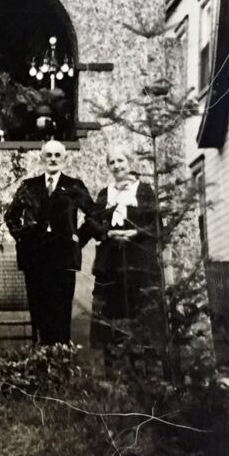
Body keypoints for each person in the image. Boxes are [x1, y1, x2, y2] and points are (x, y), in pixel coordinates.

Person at [4, 140, 94, 344]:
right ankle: (43, 365)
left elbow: (94, 215)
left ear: (64, 159)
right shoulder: (29, 186)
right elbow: (10, 216)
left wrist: (78, 239)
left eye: (57, 155)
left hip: (63, 260)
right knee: (39, 313)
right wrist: (23, 237)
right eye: (49, 155)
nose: (53, 159)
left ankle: (61, 365)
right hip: (35, 259)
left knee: (61, 315)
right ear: (42, 158)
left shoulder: (74, 186)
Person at [83, 144, 162, 350]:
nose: (117, 166)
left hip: (139, 261)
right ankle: (114, 370)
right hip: (111, 264)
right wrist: (106, 232)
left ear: (129, 162)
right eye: (112, 162)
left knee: (141, 312)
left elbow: (156, 224)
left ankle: (145, 368)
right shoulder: (105, 193)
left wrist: (135, 233)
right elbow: (91, 221)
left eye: (121, 160)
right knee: (112, 316)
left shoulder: (143, 191)